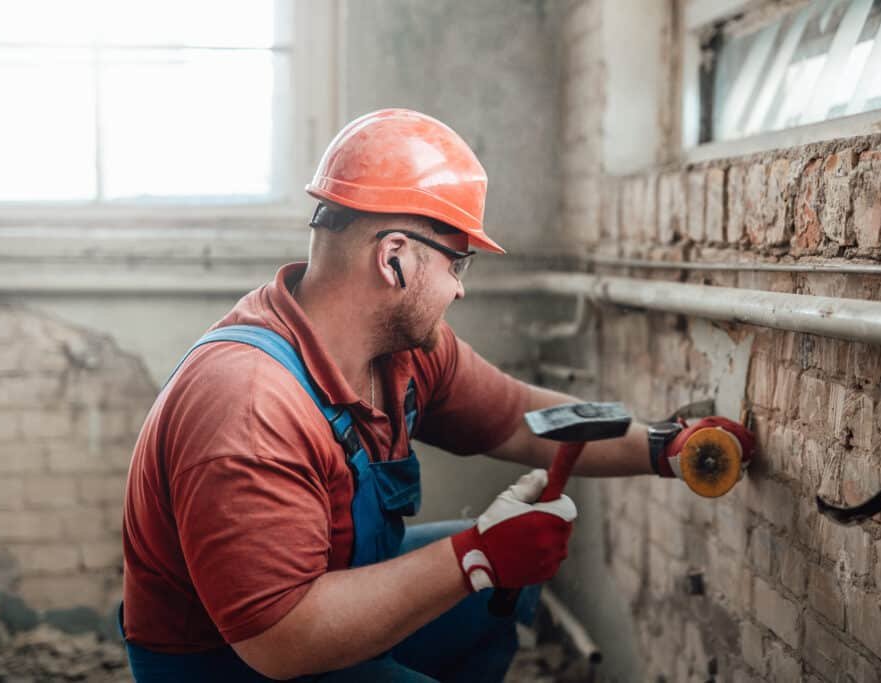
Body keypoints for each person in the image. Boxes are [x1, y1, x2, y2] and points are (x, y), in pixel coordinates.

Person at [119, 108, 755, 682]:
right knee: (473, 567)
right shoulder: (250, 401)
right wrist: (475, 554)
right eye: (457, 262)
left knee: (490, 589)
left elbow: (518, 420)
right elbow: (282, 640)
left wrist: (669, 447)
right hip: (230, 663)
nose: (460, 289)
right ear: (394, 257)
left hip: (311, 613)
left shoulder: (407, 352)